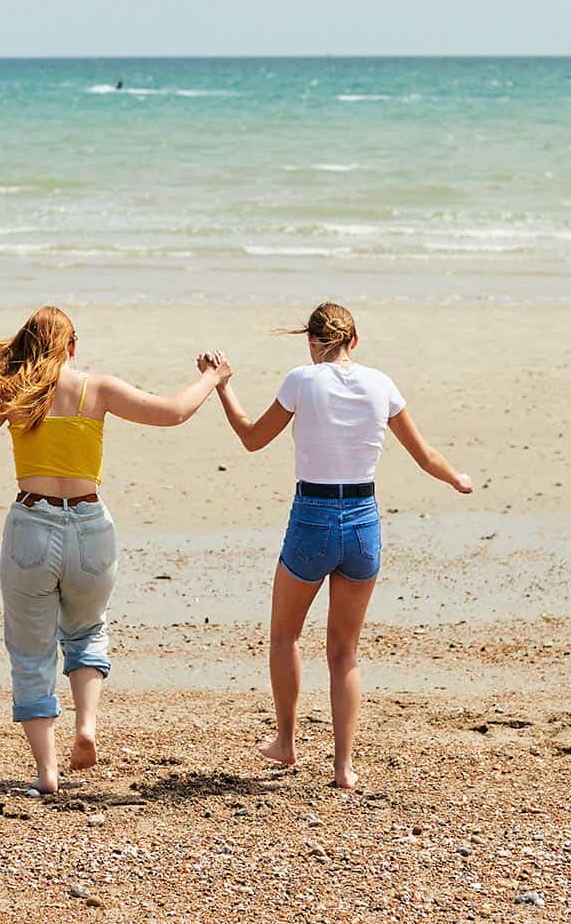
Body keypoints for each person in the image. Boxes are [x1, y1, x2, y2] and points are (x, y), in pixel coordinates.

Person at [0, 305, 229, 794]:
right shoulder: (99, 388)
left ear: (28, 346)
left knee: (30, 651)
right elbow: (173, 411)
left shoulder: (15, 395)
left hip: (32, 523)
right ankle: (86, 726)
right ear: (72, 347)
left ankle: (47, 771)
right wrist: (214, 377)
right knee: (88, 629)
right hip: (91, 526)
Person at [203, 302, 472, 789]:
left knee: (285, 636)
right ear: (356, 339)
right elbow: (425, 455)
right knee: (344, 652)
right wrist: (458, 479)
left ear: (311, 341)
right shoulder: (382, 384)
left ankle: (286, 743)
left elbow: (250, 438)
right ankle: (343, 767)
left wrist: (222, 386)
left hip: (313, 518)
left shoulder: (302, 381)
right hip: (364, 522)